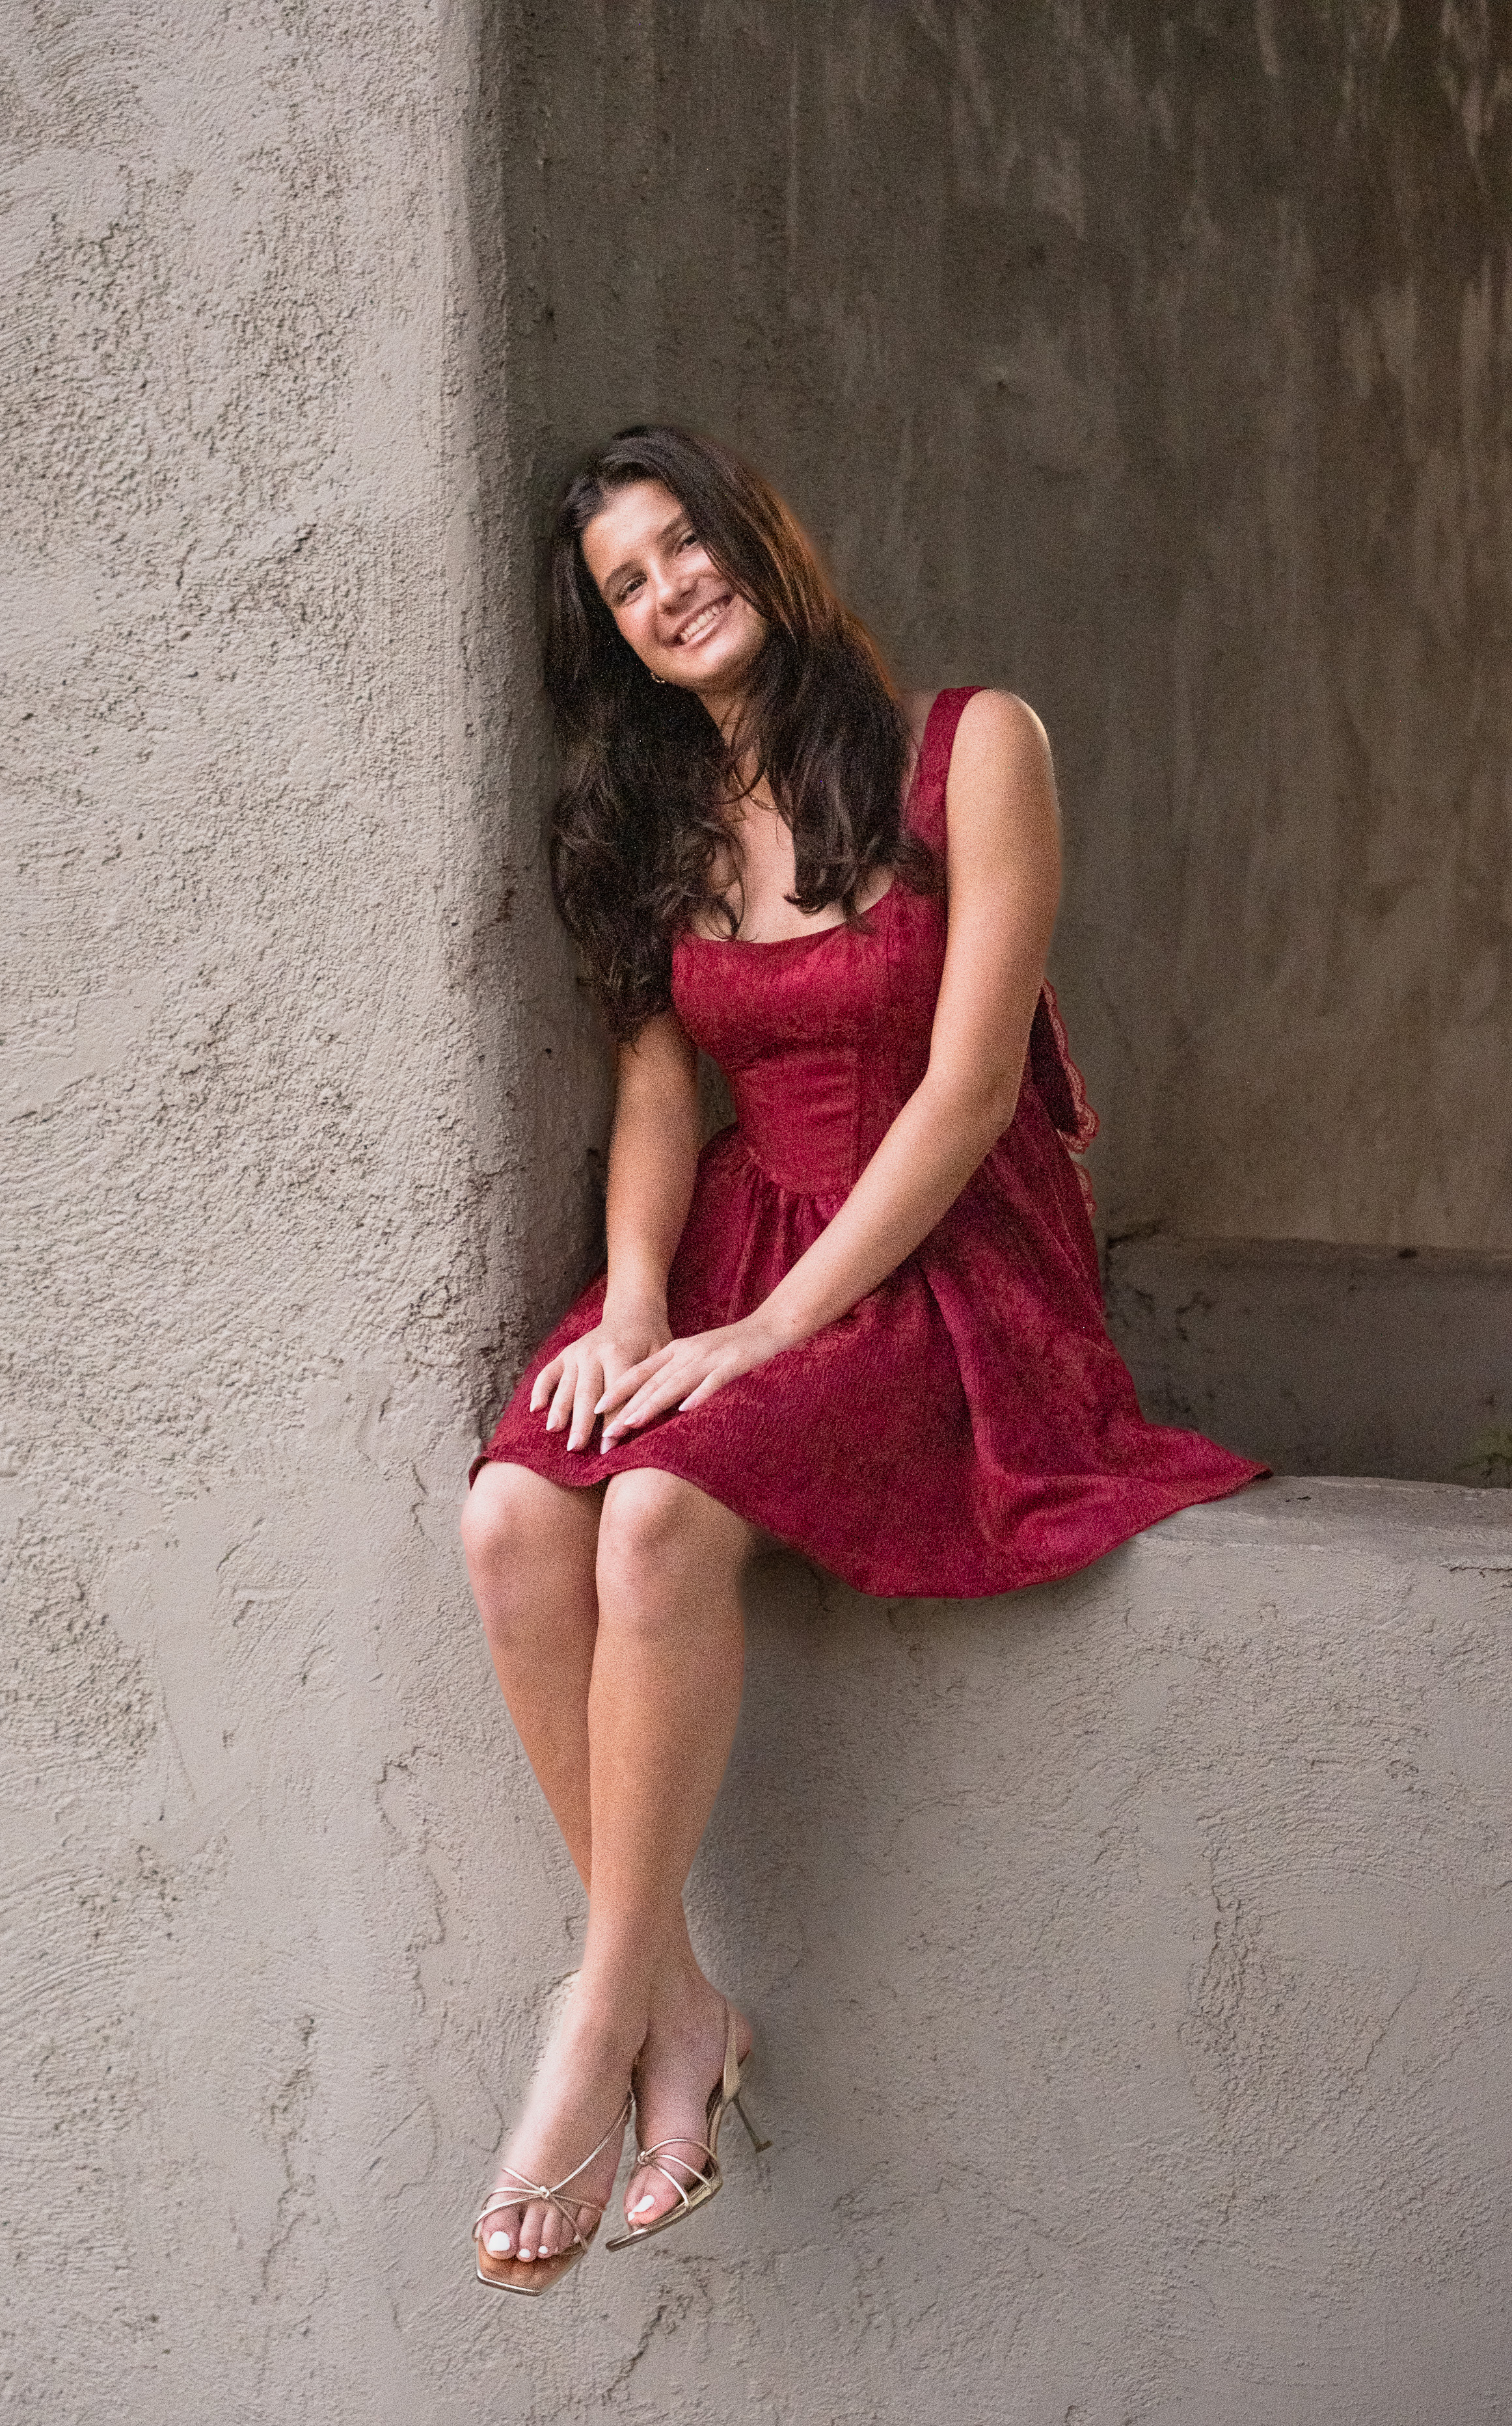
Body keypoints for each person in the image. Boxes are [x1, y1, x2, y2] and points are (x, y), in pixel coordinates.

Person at [461, 426, 1263, 2296]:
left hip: (934, 1245)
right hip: (732, 1240)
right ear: (615, 636)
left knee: (657, 1513)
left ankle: (593, 2027)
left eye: (687, 544)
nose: (671, 587)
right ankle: (679, 2005)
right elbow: (660, 1084)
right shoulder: (646, 807)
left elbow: (976, 1088)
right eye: (626, 582)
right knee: (514, 1516)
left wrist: (761, 1332)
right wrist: (647, 1301)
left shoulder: (971, 745)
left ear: (759, 538)